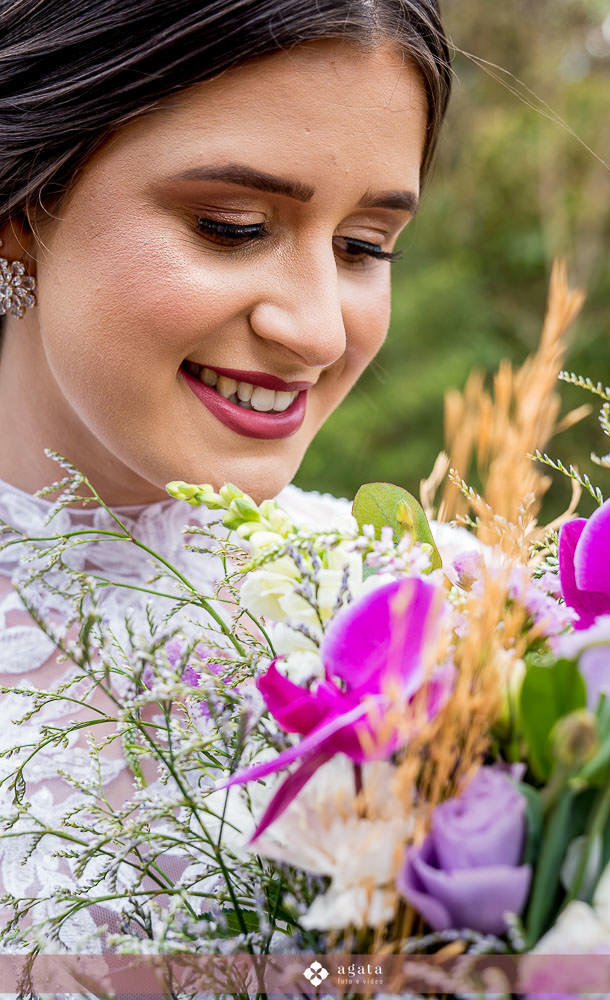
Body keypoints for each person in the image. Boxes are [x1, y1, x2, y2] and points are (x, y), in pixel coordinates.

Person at [0, 0, 455, 952]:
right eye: (232, 225)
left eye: (364, 247)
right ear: (20, 209)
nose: (320, 331)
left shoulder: (452, 618)